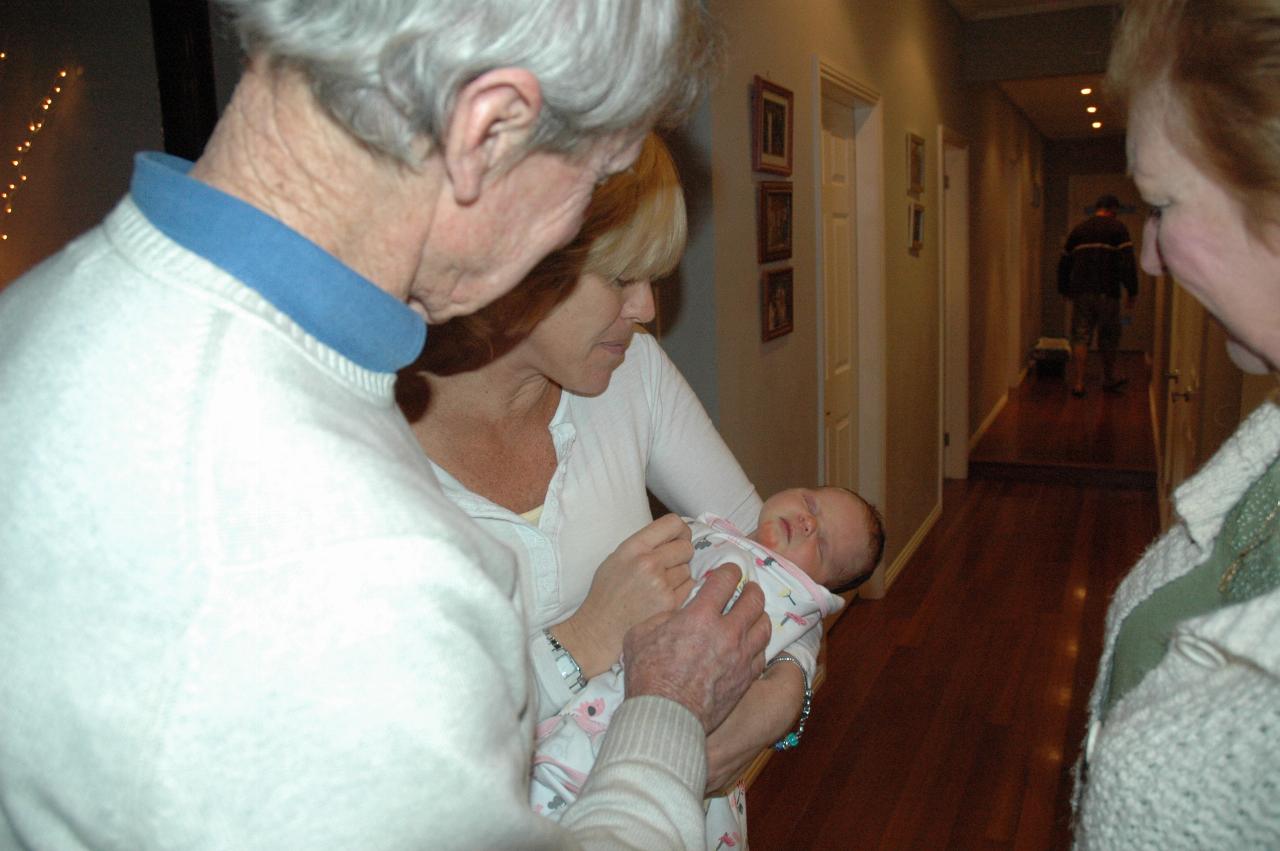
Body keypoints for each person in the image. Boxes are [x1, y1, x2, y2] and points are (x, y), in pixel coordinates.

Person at [0, 3, 776, 850]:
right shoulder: (360, 565)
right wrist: (666, 705)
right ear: (490, 129)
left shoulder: (31, 319)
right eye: (595, 177)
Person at [398, 132, 823, 829]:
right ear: (514, 258)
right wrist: (587, 636)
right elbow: (404, 759)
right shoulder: (368, 451)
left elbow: (786, 578)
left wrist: (775, 713)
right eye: (621, 278)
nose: (648, 308)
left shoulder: (635, 378)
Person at [1072, 0, 1280, 847]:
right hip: (1095, 303)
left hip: (1076, 303)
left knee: (1089, 349)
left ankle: (1087, 383)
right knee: (1103, 346)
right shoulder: (1259, 473)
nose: (1151, 252)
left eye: (1167, 204)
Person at [531, 486, 886, 848]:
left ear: (815, 588)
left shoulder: (777, 591)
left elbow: (798, 619)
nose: (808, 522)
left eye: (822, 546)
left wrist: (786, 690)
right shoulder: (721, 532)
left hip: (641, 730)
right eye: (810, 504)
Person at [1057, 193, 1139, 397]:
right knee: (1108, 336)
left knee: (1081, 336)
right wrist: (1132, 290)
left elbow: (1064, 263)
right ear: (1112, 210)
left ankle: (1078, 383)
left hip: (1081, 292)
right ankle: (1109, 379)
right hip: (1107, 292)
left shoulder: (1079, 230)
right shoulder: (1118, 228)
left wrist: (1064, 288)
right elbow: (1127, 262)